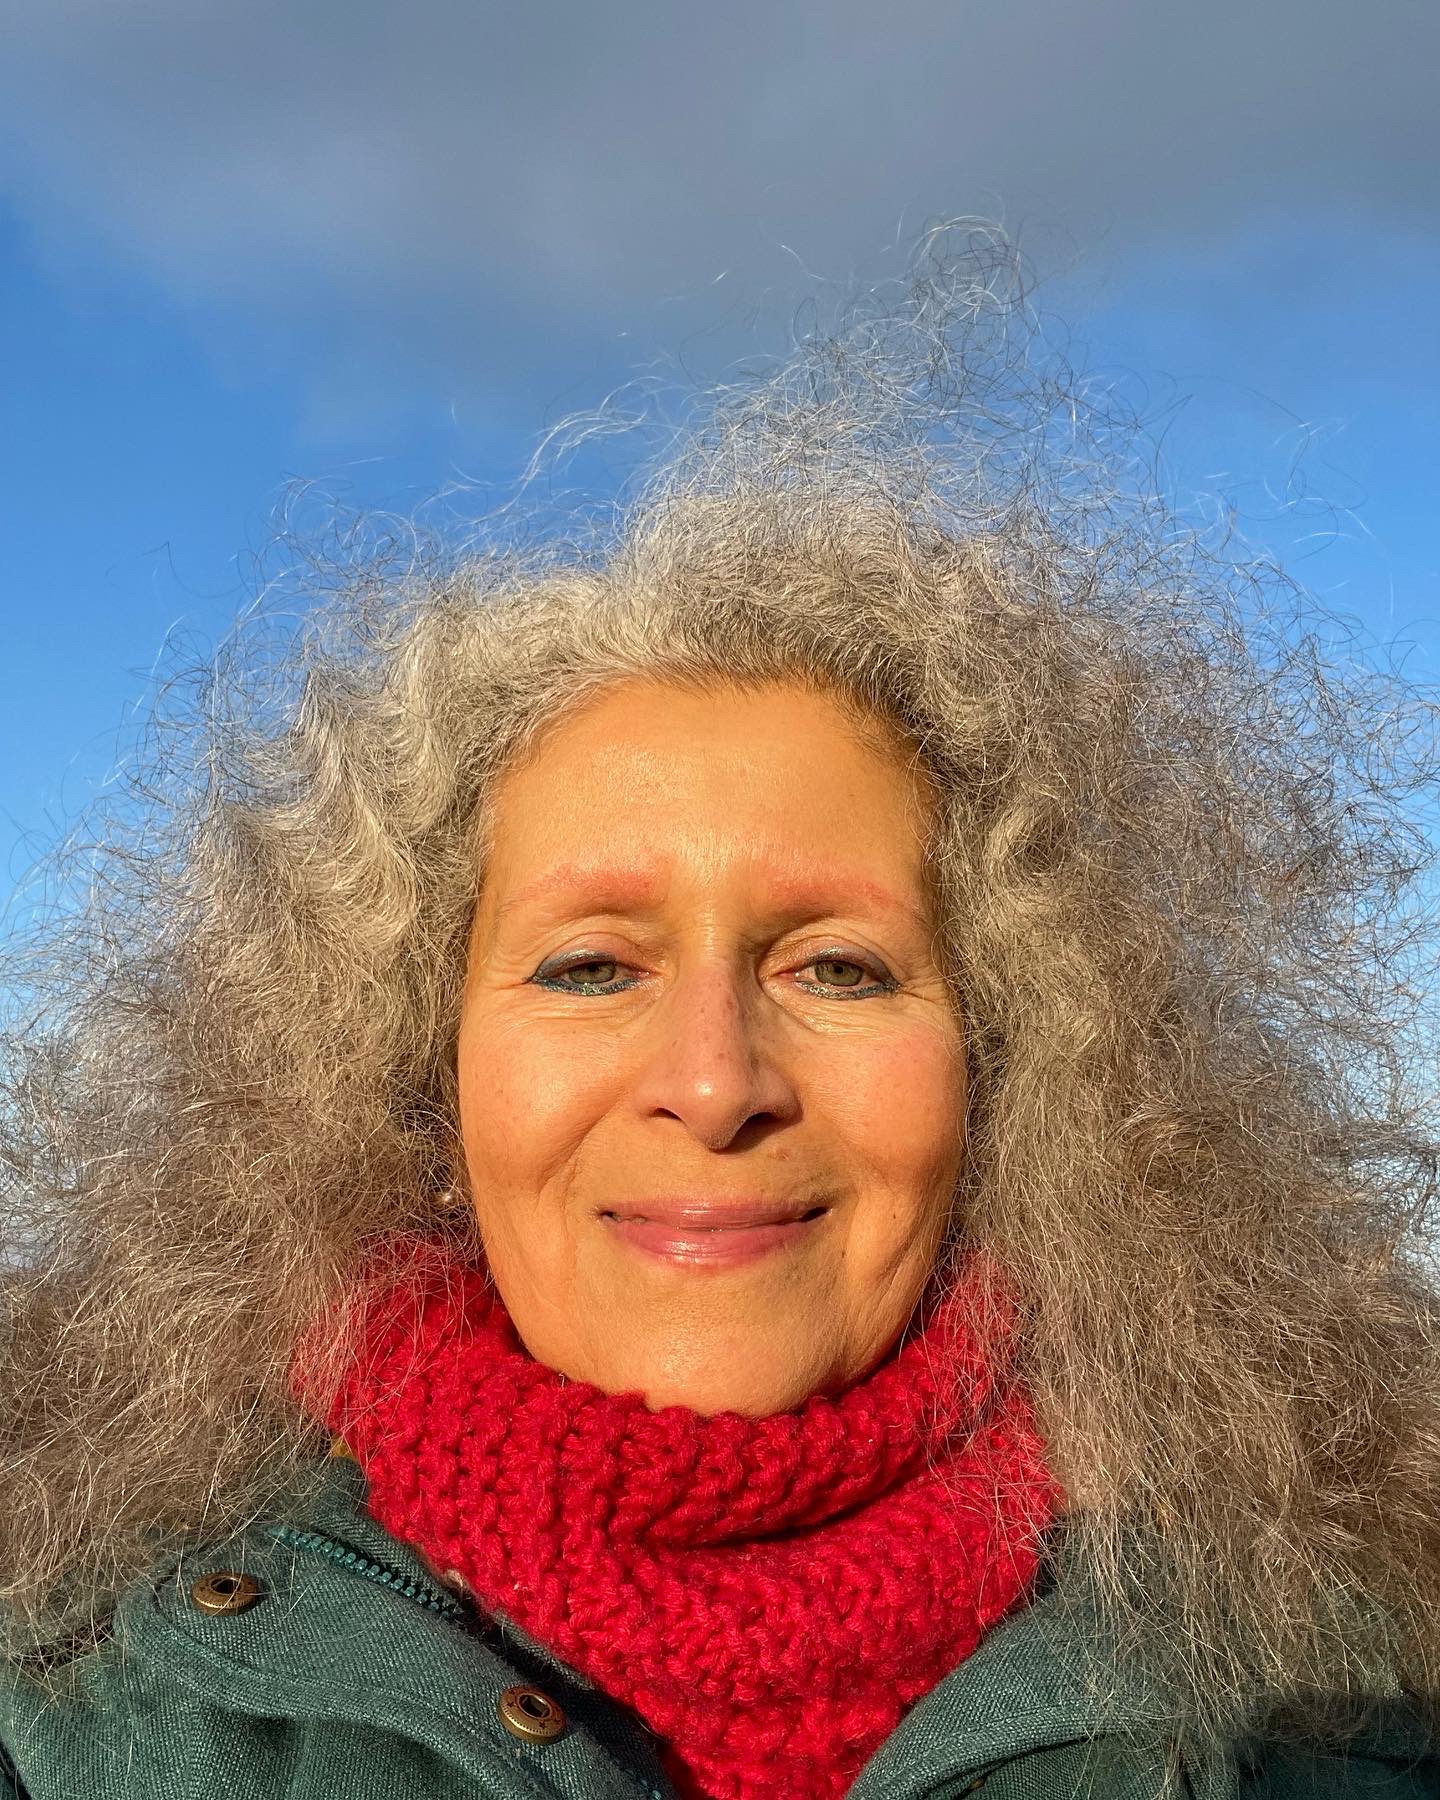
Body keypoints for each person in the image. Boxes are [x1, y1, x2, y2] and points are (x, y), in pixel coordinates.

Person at [1, 232, 1438, 1798]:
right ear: (423, 1078)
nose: (713, 1081)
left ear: (1019, 1073)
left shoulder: (1348, 1699)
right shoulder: (65, 1702)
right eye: (590, 966)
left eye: (839, 968)